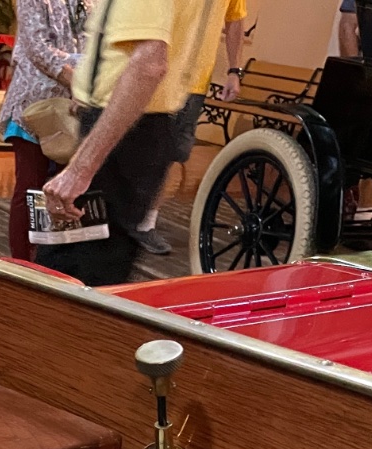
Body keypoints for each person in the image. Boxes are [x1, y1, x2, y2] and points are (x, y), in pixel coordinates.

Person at [38, 0, 225, 286]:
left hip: (123, 128)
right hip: (141, 124)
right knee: (99, 266)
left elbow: (149, 64)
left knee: (70, 273)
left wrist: (80, 170)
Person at [131, 0, 245, 255]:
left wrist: (234, 70)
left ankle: (146, 223)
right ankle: (116, 216)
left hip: (193, 81)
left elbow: (236, 18)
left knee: (170, 153)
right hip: (152, 70)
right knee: (134, 144)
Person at [0, 0, 86, 261]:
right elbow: (38, 48)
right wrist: (77, 80)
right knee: (31, 188)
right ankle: (23, 263)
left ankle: (60, 260)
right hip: (34, 107)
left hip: (75, 109)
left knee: (69, 191)